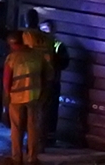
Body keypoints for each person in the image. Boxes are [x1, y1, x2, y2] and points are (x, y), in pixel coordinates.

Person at [3, 31, 52, 164]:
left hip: (16, 98)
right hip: (34, 98)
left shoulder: (12, 58)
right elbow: (48, 77)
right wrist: (44, 95)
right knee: (33, 128)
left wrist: (6, 98)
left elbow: (7, 81)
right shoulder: (38, 56)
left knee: (17, 128)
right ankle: (32, 158)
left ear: (12, 44)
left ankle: (16, 158)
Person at [22, 10, 69, 145]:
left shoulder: (56, 45)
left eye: (47, 29)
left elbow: (64, 62)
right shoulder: (37, 40)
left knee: (48, 112)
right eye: (43, 29)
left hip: (50, 82)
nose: (44, 32)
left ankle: (46, 139)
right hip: (42, 80)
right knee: (37, 112)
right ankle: (36, 140)